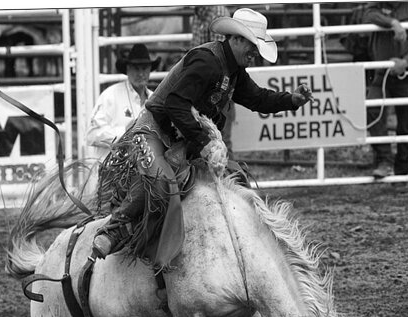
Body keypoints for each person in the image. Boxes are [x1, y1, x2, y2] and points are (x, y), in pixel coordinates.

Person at [90, 8, 313, 262]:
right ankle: (115, 228)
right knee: (161, 184)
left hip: (182, 141)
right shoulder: (207, 61)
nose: (254, 53)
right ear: (236, 39)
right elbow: (175, 104)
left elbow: (258, 98)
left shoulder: (233, 70)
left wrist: (291, 100)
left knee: (235, 179)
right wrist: (205, 143)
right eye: (253, 46)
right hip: (153, 131)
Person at [362, 2, 408, 178]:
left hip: (404, 75)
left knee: (405, 124)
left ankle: (402, 172)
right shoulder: (377, 3)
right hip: (380, 72)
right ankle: (385, 160)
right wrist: (393, 23)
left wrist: (405, 62)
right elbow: (368, 14)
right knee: (373, 110)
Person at [86, 44, 161, 161]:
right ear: (127, 69)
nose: (141, 74)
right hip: (111, 171)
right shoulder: (110, 96)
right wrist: (124, 133)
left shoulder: (154, 100)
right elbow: (92, 134)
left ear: (150, 70)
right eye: (136, 68)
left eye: (144, 68)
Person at [190, 6, 235, 156]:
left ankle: (227, 176)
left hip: (216, 90)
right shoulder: (199, 13)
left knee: (220, 141)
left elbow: (221, 61)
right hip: (201, 89)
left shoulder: (217, 13)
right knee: (205, 141)